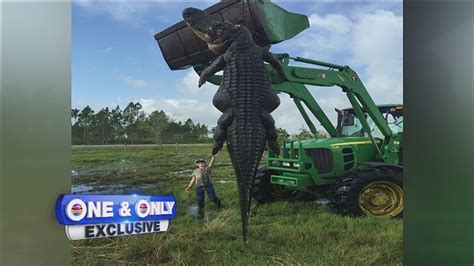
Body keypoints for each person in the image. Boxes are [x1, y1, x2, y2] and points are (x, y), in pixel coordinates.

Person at [185, 155, 222, 220]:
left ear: (205, 163)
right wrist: (189, 186)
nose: (201, 163)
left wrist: (213, 157)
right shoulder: (195, 171)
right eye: (199, 163)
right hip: (199, 187)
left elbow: (212, 163)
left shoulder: (208, 168)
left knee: (213, 197)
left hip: (208, 186)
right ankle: (201, 213)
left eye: (202, 162)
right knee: (200, 200)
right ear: (197, 164)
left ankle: (219, 206)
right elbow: (193, 179)